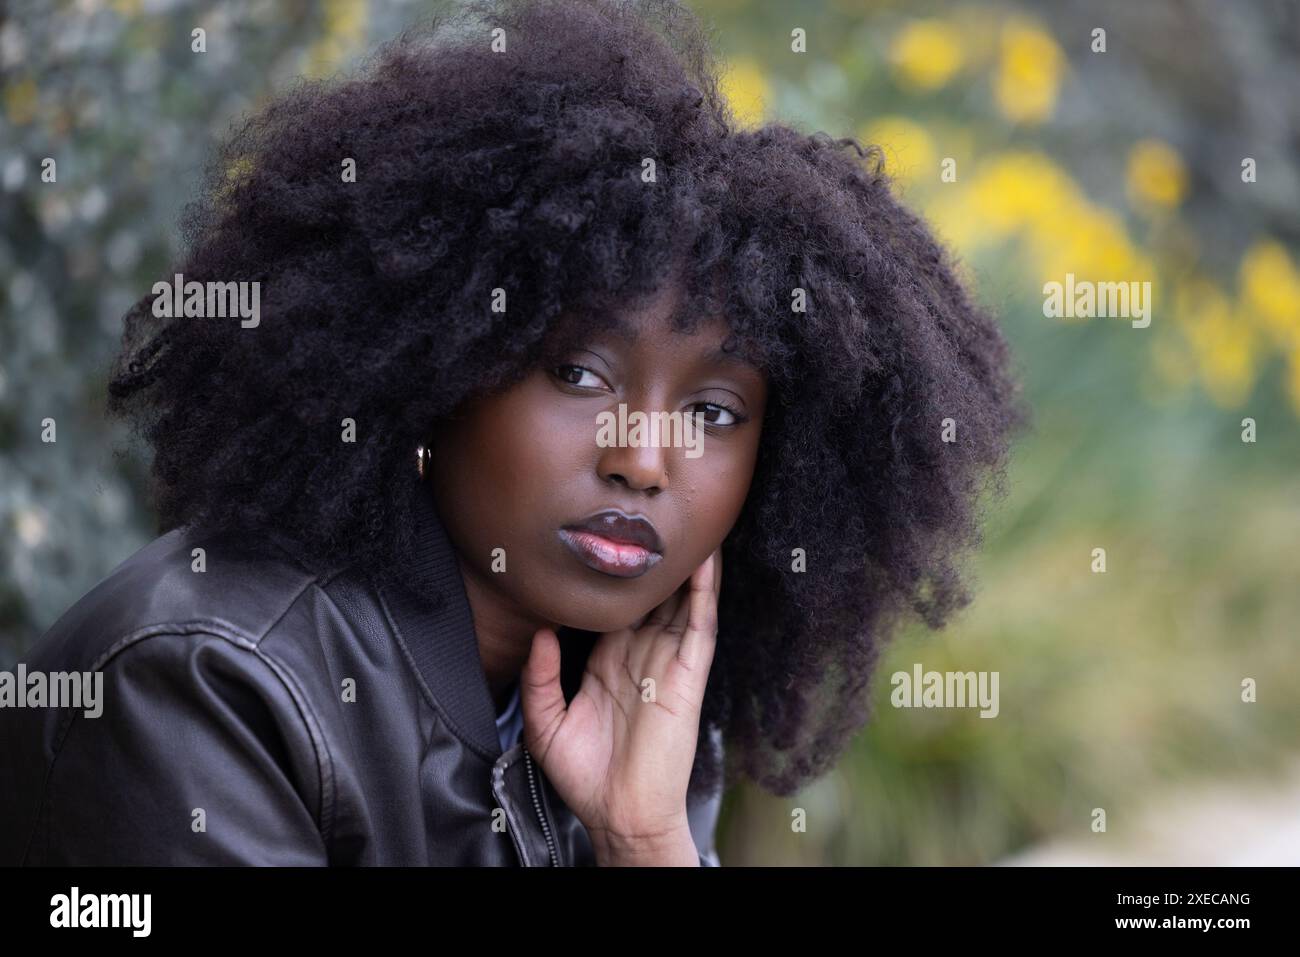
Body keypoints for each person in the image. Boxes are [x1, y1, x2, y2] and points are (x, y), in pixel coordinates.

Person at [0, 0, 1028, 866]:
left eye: (713, 412)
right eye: (577, 372)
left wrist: (646, 842)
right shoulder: (205, 683)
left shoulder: (635, 700)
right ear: (432, 364)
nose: (642, 456)